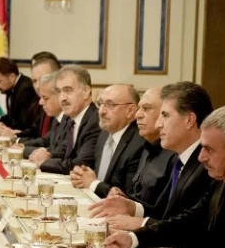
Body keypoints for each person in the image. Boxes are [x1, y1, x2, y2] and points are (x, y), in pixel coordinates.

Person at [105, 105, 225, 248]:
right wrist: (133, 238)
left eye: (209, 149)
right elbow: (186, 222)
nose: (201, 157)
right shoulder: (220, 182)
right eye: (202, 147)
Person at [89, 82, 213, 230]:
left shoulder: (206, 164)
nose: (159, 124)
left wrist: (141, 223)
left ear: (189, 120)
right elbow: (163, 213)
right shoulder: (181, 159)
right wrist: (132, 208)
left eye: (164, 115)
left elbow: (191, 228)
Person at [69, 85, 145, 198]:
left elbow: (128, 197)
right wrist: (81, 175)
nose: (101, 111)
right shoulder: (104, 133)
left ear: (130, 111)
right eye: (100, 103)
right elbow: (96, 176)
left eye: (110, 105)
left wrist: (93, 184)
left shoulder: (139, 144)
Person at [38, 65, 101, 174]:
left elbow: (81, 164)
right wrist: (46, 155)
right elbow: (63, 151)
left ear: (86, 91)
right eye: (59, 91)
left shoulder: (95, 122)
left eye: (68, 90)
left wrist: (45, 162)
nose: (62, 98)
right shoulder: (70, 119)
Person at [0, 57, 39, 135]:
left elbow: (22, 123)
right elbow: (11, 116)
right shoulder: (11, 87)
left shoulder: (26, 89)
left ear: (11, 77)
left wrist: (3, 128)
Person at [23, 72, 67, 160]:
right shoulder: (57, 117)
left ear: (59, 96)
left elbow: (60, 152)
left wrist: (23, 150)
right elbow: (46, 140)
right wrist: (22, 145)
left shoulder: (70, 119)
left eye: (45, 98)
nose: (40, 102)